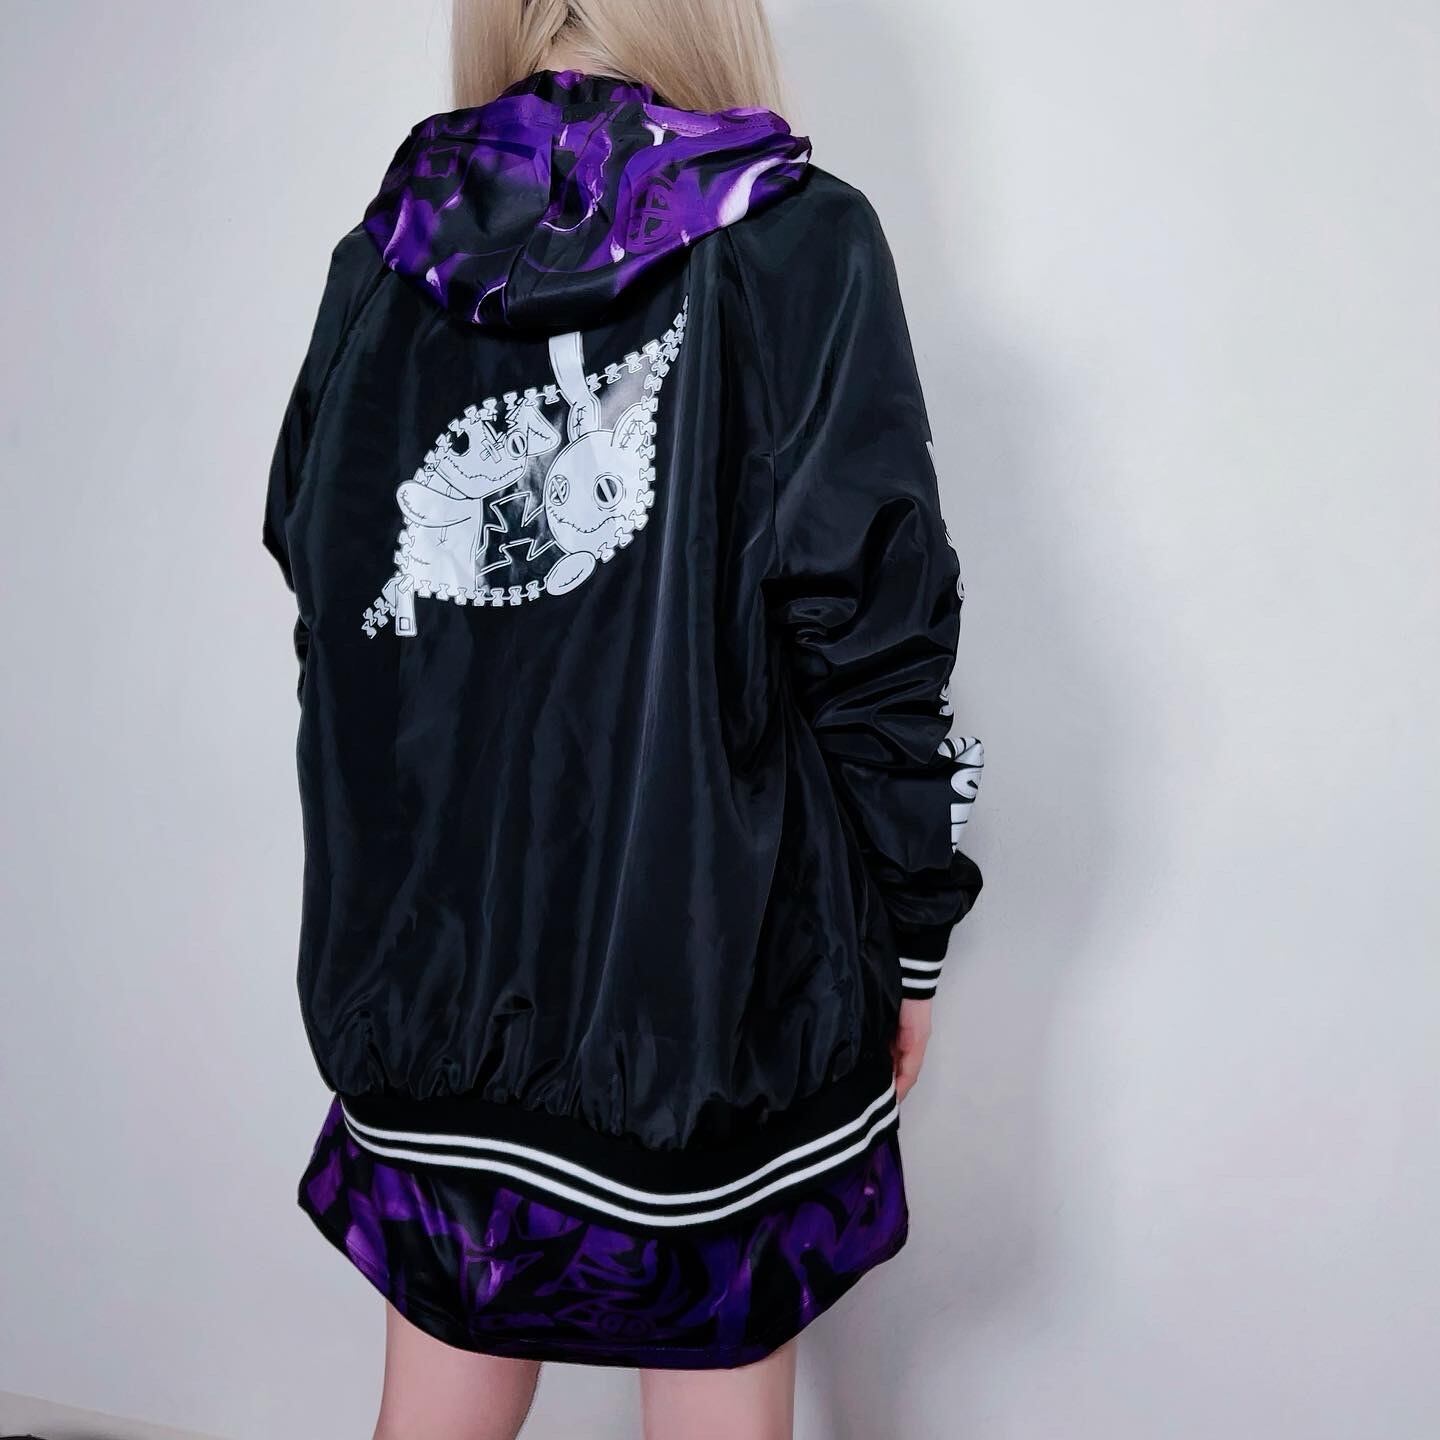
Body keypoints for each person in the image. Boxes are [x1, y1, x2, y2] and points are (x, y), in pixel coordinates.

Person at [263, 1, 985, 1435]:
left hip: (428, 993)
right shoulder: (797, 240)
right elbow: (875, 629)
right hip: (712, 1009)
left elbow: (327, 601)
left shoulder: (386, 258)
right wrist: (913, 928)